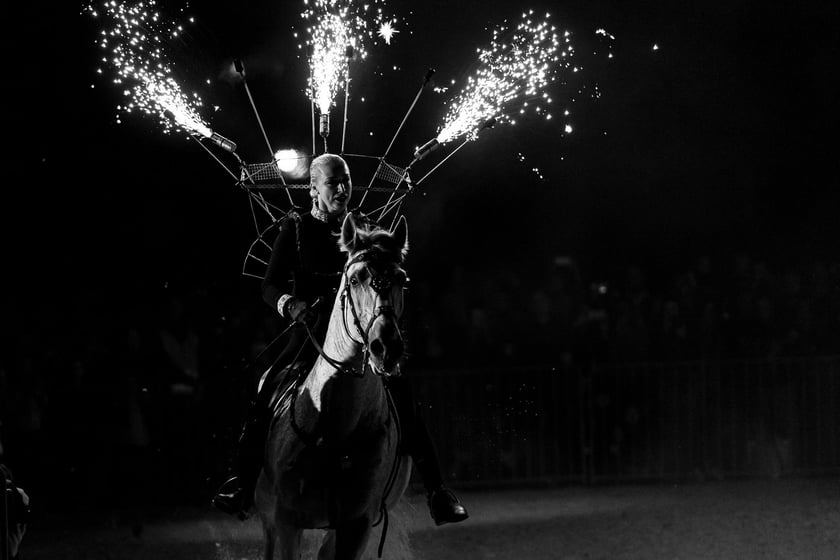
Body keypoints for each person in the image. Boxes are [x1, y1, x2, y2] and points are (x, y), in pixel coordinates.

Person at [213, 153, 468, 526]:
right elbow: (268, 285)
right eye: (334, 182)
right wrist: (292, 304)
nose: (344, 188)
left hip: (360, 339)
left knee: (403, 396)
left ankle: (437, 491)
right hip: (310, 335)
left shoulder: (363, 227)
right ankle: (242, 481)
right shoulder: (296, 227)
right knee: (267, 389)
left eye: (347, 180)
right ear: (314, 188)